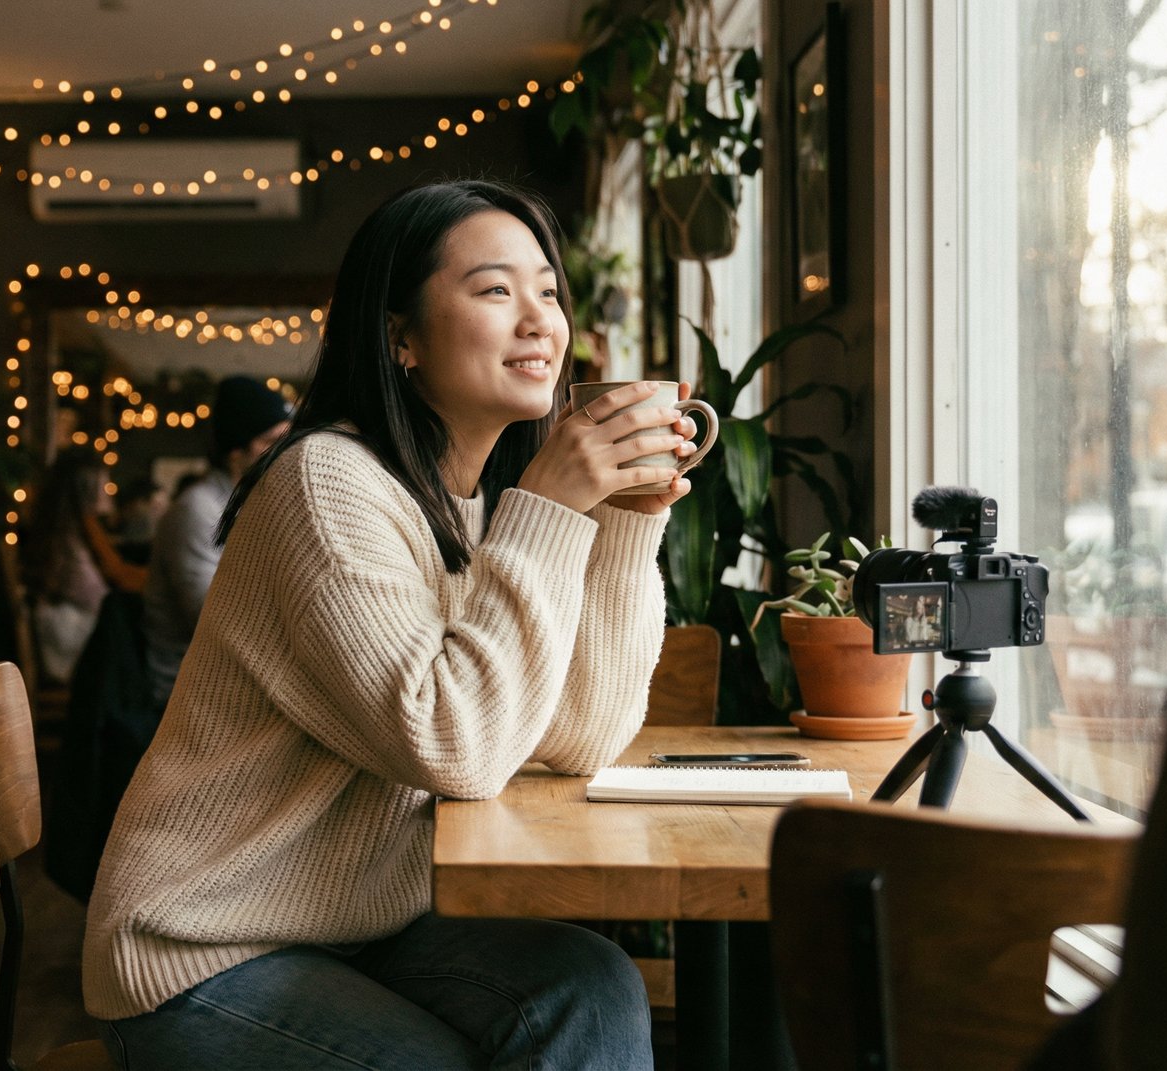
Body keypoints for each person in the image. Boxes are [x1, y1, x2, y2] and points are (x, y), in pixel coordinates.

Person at [82, 178, 702, 1070]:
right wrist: (550, 506)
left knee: (592, 984)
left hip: (362, 924)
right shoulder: (325, 484)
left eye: (548, 290)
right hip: (202, 944)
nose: (541, 320)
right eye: (496, 290)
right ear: (399, 337)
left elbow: (578, 736)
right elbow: (454, 744)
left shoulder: (473, 506)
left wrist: (624, 520)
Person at [142, 375, 293, 712]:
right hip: (191, 689)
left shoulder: (253, 504)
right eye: (271, 441)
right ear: (235, 452)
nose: (285, 452)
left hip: (237, 676)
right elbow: (213, 618)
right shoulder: (198, 509)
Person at [29, 450, 148, 684]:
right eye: (103, 480)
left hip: (60, 633)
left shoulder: (58, 526)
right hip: (72, 646)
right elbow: (114, 579)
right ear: (87, 486)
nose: (107, 487)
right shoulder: (80, 528)